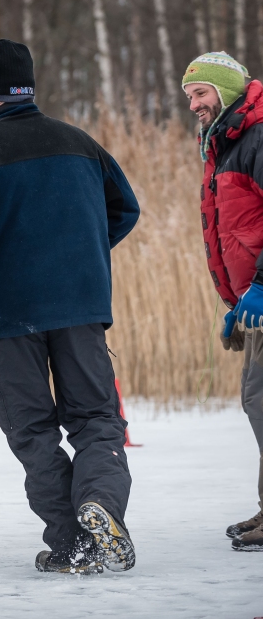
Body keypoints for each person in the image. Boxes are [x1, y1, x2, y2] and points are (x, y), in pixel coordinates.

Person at [0, 39, 141, 574]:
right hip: (82, 307)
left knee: (31, 429)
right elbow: (126, 209)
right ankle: (100, 504)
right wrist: (82, 254)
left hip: (9, 311)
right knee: (96, 419)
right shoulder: (80, 142)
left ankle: (70, 542)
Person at [182, 51, 263, 551]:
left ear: (227, 91)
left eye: (201, 93)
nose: (193, 104)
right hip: (252, 303)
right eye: (189, 95)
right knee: (257, 400)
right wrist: (237, 302)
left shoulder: (257, 137)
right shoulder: (227, 144)